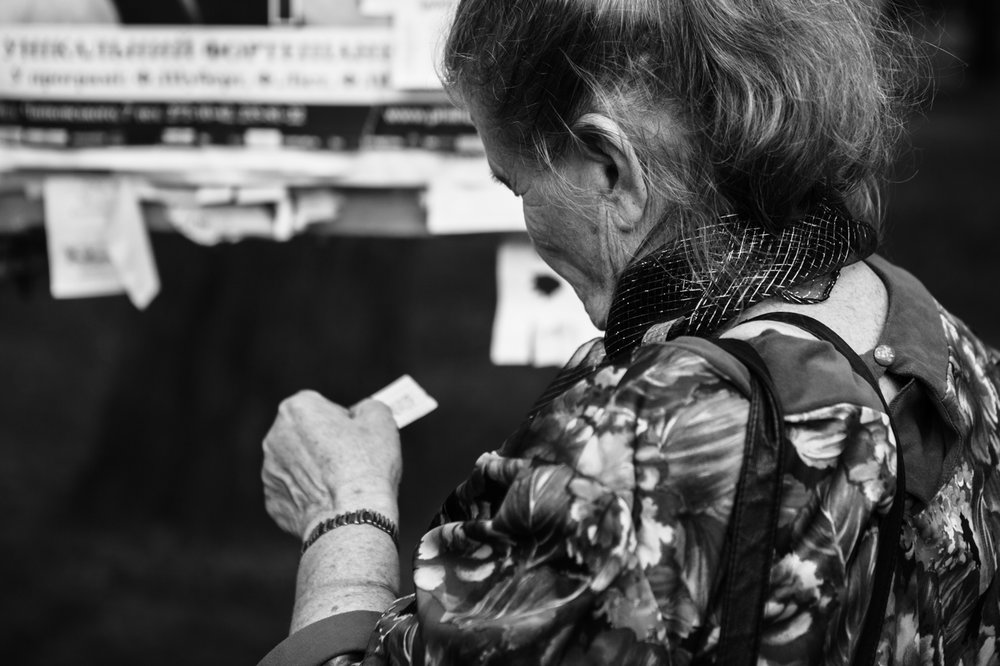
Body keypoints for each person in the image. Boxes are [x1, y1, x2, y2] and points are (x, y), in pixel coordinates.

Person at [260, 0, 1000, 663]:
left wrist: (345, 513)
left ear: (612, 168)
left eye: (517, 184)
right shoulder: (942, 346)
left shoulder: (641, 452)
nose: (529, 222)